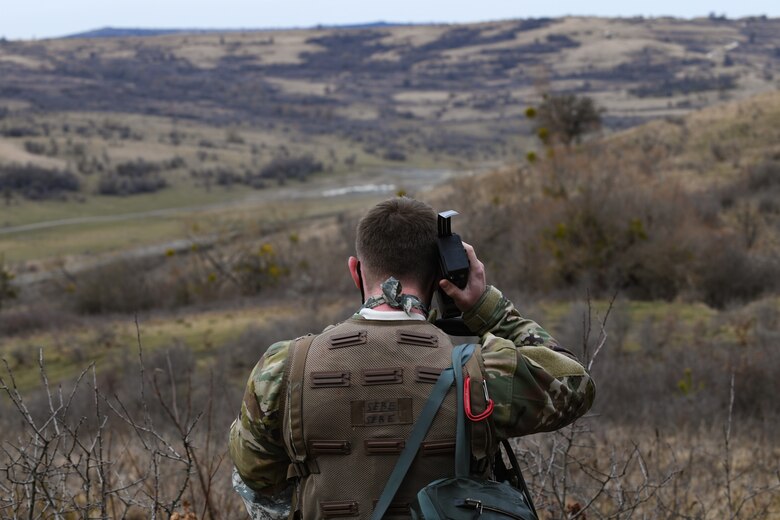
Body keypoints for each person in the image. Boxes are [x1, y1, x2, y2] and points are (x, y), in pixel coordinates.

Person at [229, 197, 595, 519]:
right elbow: (575, 384)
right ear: (441, 276)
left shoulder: (285, 368)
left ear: (355, 270)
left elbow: (257, 478)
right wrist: (490, 311)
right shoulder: (482, 372)